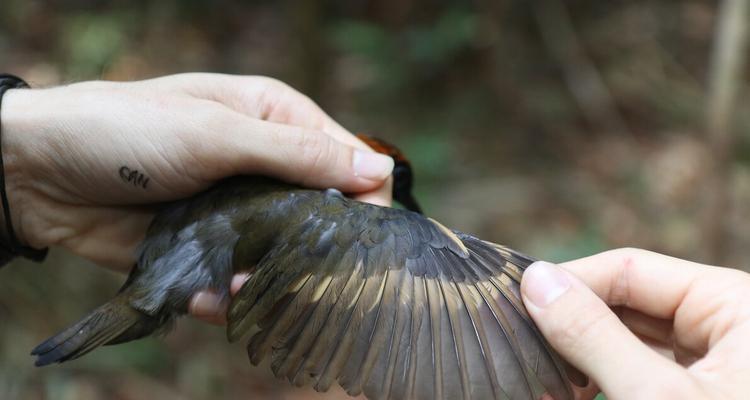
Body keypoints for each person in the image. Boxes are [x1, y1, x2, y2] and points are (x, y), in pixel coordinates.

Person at [1, 73, 747, 400]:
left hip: (157, 260)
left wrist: (23, 174)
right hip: (167, 262)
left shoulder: (283, 198)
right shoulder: (346, 220)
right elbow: (431, 277)